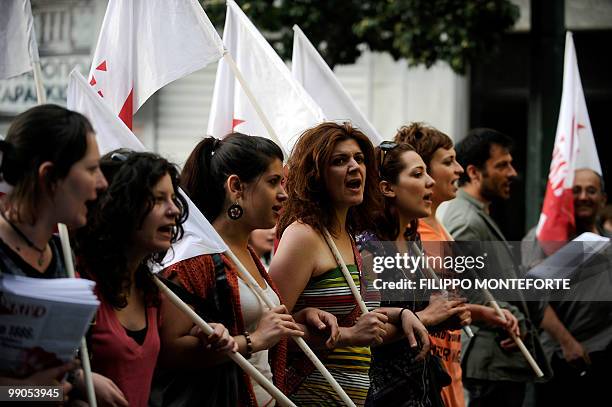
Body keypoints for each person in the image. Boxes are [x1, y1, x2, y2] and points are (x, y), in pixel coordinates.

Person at [158, 133, 335, 407]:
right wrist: (254, 340)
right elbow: (170, 351)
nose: (284, 194)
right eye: (273, 182)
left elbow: (249, 320)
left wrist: (299, 317)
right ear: (236, 187)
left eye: (284, 183)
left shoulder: (246, 252)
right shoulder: (194, 257)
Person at [271, 122, 427, 406]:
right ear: (315, 176)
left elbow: (356, 313)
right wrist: (349, 336)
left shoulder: (350, 236)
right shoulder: (303, 236)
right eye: (340, 161)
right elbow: (271, 329)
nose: (355, 167)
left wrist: (400, 313)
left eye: (360, 159)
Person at [76, 150, 236, 407]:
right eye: (158, 199)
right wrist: (75, 383)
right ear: (120, 207)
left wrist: (205, 334)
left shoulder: (153, 291)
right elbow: (12, 392)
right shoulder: (73, 284)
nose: (174, 210)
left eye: (173, 198)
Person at [396, 123, 520, 407]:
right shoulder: (413, 237)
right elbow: (411, 311)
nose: (459, 170)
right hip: (427, 377)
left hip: (451, 371)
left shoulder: (439, 228)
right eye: (448, 162)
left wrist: (485, 313)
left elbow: (443, 305)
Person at [0, 104, 107, 392]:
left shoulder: (61, 253)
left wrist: (80, 380)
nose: (102, 183)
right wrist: (33, 392)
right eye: (91, 169)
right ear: (49, 176)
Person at [442, 128, 550, 407]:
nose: (512, 173)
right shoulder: (466, 220)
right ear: (474, 172)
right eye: (502, 165)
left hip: (498, 359)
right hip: (491, 359)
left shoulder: (476, 214)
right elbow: (465, 285)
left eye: (511, 164)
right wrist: (511, 316)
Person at [358, 139, 469, 406]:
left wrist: (447, 315)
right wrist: (428, 317)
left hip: (420, 390)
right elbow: (360, 332)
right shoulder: (367, 248)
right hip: (383, 395)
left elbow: (422, 309)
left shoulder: (412, 241)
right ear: (387, 188)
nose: (430, 182)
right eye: (418, 174)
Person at [522, 168, 612, 406]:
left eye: (591, 191)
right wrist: (567, 342)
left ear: (602, 199)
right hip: (561, 359)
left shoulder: (607, 241)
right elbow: (534, 297)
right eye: (576, 190)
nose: (583, 196)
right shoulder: (542, 240)